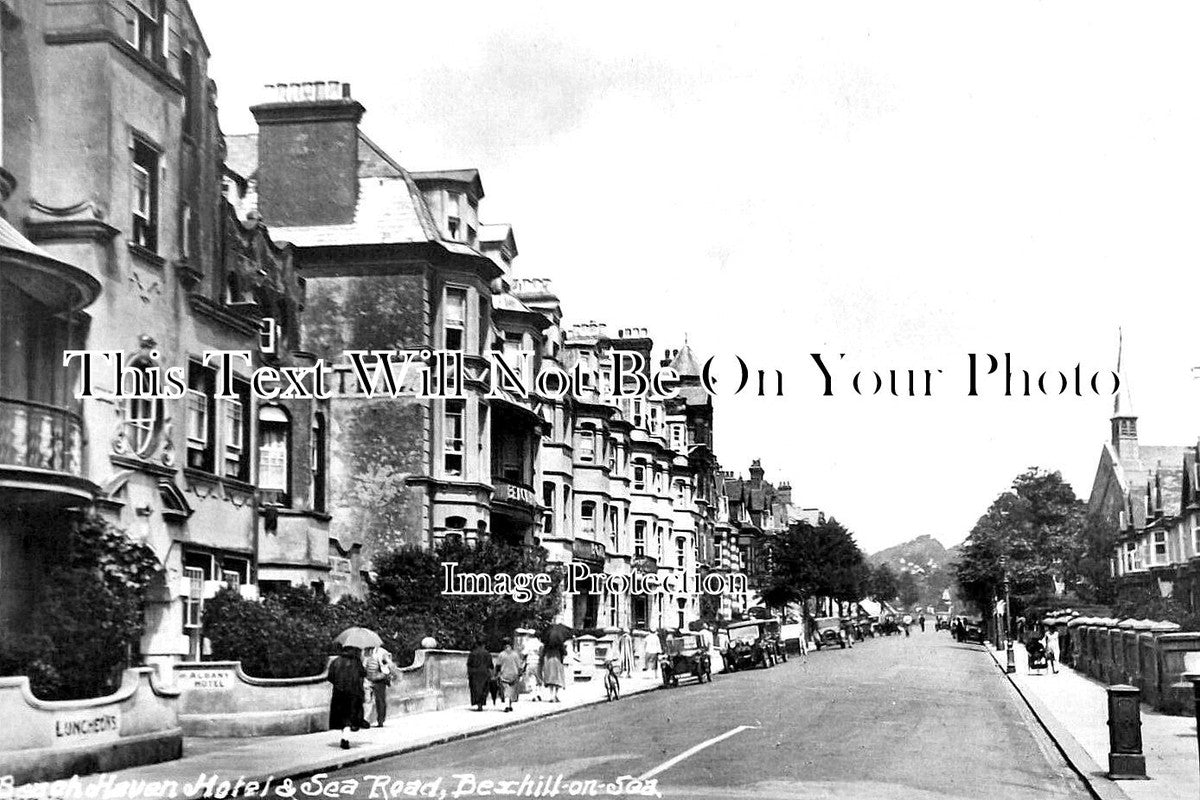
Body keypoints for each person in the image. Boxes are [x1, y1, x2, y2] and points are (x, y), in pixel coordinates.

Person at [327, 645, 367, 750]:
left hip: (339, 693)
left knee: (343, 717)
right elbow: (364, 674)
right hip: (353, 693)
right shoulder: (356, 662)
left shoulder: (335, 661)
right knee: (349, 717)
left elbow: (330, 677)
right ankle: (345, 738)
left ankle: (345, 737)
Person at [362, 645, 393, 727]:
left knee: (380, 701)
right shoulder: (364, 652)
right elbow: (363, 666)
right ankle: (366, 720)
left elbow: (387, 665)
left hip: (379, 679)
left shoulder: (382, 652)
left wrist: (386, 674)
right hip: (368, 679)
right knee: (367, 700)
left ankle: (380, 720)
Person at [496, 638, 524, 712]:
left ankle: (507, 705)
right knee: (512, 690)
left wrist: (497, 674)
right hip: (514, 675)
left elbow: (498, 665)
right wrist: (520, 674)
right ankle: (510, 705)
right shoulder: (515, 654)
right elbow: (520, 666)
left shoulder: (501, 654)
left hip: (504, 674)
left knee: (506, 690)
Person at [467, 640, 493, 711]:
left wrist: (469, 673)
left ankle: (478, 704)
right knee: (484, 689)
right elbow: (491, 665)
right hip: (485, 673)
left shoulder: (472, 653)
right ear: (483, 645)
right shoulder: (487, 654)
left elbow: (469, 664)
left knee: (475, 689)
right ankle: (481, 703)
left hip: (474, 673)